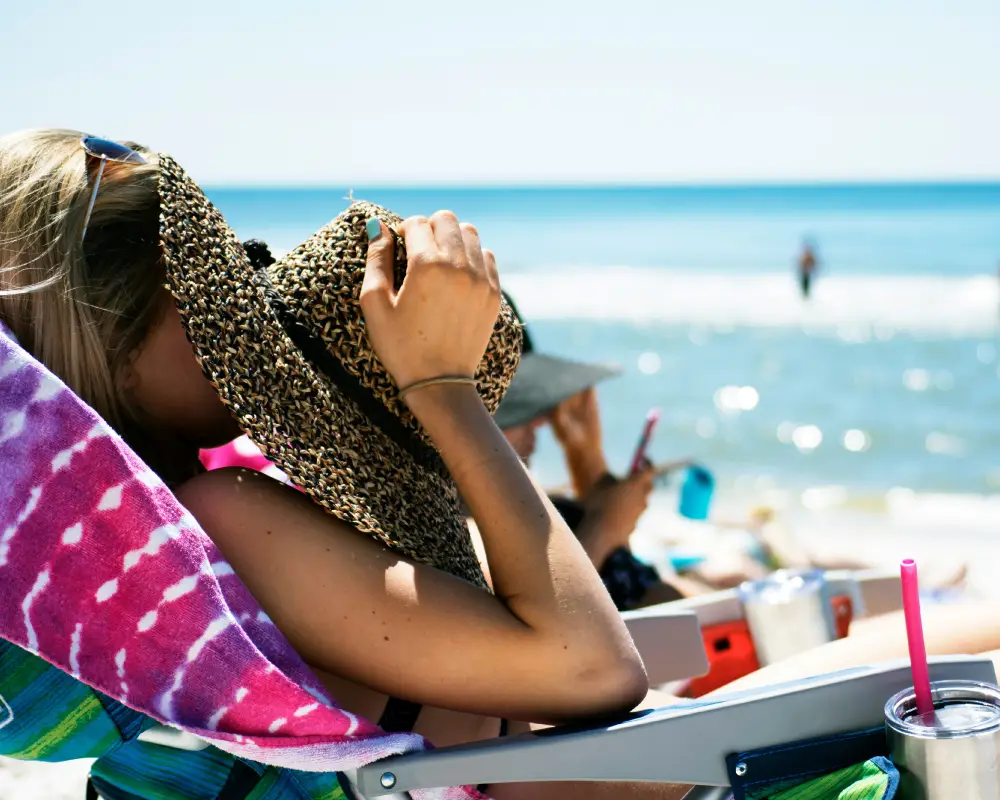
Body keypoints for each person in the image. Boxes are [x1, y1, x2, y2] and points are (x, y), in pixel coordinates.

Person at [4, 130, 999, 800]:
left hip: (655, 759)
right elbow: (589, 666)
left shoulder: (137, 567)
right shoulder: (213, 515)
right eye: (199, 286)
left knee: (963, 632)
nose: (231, 306)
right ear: (104, 335)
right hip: (682, 775)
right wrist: (439, 387)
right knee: (965, 647)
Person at [492, 294, 707, 609]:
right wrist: (607, 526)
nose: (540, 420)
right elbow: (542, 615)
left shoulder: (527, 514)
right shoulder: (462, 535)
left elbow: (613, 575)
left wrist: (585, 456)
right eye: (517, 406)